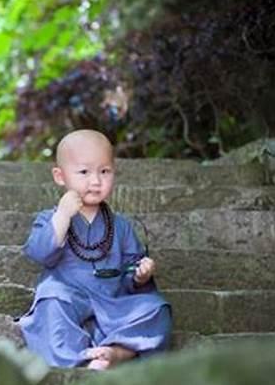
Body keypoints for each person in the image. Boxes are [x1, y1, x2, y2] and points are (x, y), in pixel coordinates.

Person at [17, 129, 171, 370]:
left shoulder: (119, 225)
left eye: (104, 171)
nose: (96, 181)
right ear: (60, 176)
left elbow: (131, 267)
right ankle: (80, 359)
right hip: (67, 294)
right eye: (84, 172)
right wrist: (63, 215)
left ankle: (118, 352)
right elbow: (41, 253)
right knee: (50, 304)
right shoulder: (50, 218)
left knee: (156, 309)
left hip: (112, 301)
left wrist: (140, 274)